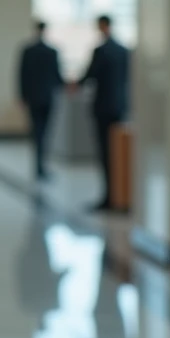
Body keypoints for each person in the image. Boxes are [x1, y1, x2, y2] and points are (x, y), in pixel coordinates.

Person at [73, 15, 130, 211]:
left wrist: (74, 85)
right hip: (121, 107)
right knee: (119, 154)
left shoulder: (101, 51)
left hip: (103, 108)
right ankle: (120, 196)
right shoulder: (124, 51)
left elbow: (90, 76)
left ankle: (109, 197)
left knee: (106, 154)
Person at [17, 20, 64, 179]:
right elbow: (58, 76)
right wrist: (69, 86)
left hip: (33, 97)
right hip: (48, 97)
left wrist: (22, 96)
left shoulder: (28, 51)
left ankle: (38, 165)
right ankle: (41, 165)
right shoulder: (52, 51)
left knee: (36, 131)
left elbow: (21, 75)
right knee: (45, 132)